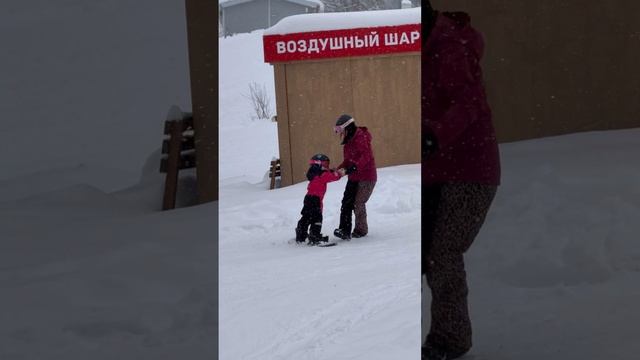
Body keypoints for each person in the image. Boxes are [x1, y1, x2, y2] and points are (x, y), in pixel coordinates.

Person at [421, 2, 501, 360]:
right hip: (435, 170)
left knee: (442, 254)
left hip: (470, 171)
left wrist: (435, 135)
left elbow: (470, 102)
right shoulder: (422, 48)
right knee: (416, 253)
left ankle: (449, 341)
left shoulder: (450, 48)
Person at [333, 114, 377, 240]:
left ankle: (361, 230)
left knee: (358, 202)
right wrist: (339, 169)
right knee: (346, 202)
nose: (341, 134)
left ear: (348, 128)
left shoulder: (361, 137)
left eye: (341, 131)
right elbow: (348, 160)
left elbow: (366, 156)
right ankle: (344, 230)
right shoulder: (348, 142)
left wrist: (353, 168)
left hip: (367, 177)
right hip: (353, 177)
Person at [296, 154, 346, 245]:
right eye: (326, 164)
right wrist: (340, 173)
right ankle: (315, 236)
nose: (327, 166)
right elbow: (332, 177)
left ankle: (301, 235)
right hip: (315, 199)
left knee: (306, 216)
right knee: (317, 218)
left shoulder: (314, 172)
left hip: (308, 198)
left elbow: (325, 174)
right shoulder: (322, 174)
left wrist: (331, 171)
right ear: (319, 164)